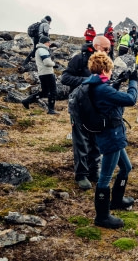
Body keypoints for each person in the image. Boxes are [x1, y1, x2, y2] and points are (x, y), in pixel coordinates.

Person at [85, 51, 138, 229]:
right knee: (105, 178)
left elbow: (106, 97)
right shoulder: (102, 89)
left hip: (112, 134)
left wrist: (118, 82)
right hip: (111, 136)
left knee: (126, 167)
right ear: (106, 68)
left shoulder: (96, 84)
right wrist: (133, 81)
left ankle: (116, 200)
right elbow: (131, 100)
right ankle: (102, 216)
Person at [61, 36, 110, 190]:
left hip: (96, 107)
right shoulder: (79, 59)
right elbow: (65, 77)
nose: (109, 51)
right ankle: (81, 175)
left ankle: (94, 171)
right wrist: (87, 80)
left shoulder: (105, 61)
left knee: (96, 138)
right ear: (96, 46)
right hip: (80, 106)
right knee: (81, 141)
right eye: (106, 48)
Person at [21, 36, 59, 114]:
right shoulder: (43, 50)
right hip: (47, 73)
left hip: (42, 73)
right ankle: (51, 110)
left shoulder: (39, 50)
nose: (50, 43)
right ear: (45, 42)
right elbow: (47, 62)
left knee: (44, 92)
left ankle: (27, 101)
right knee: (53, 91)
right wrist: (54, 64)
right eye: (49, 42)